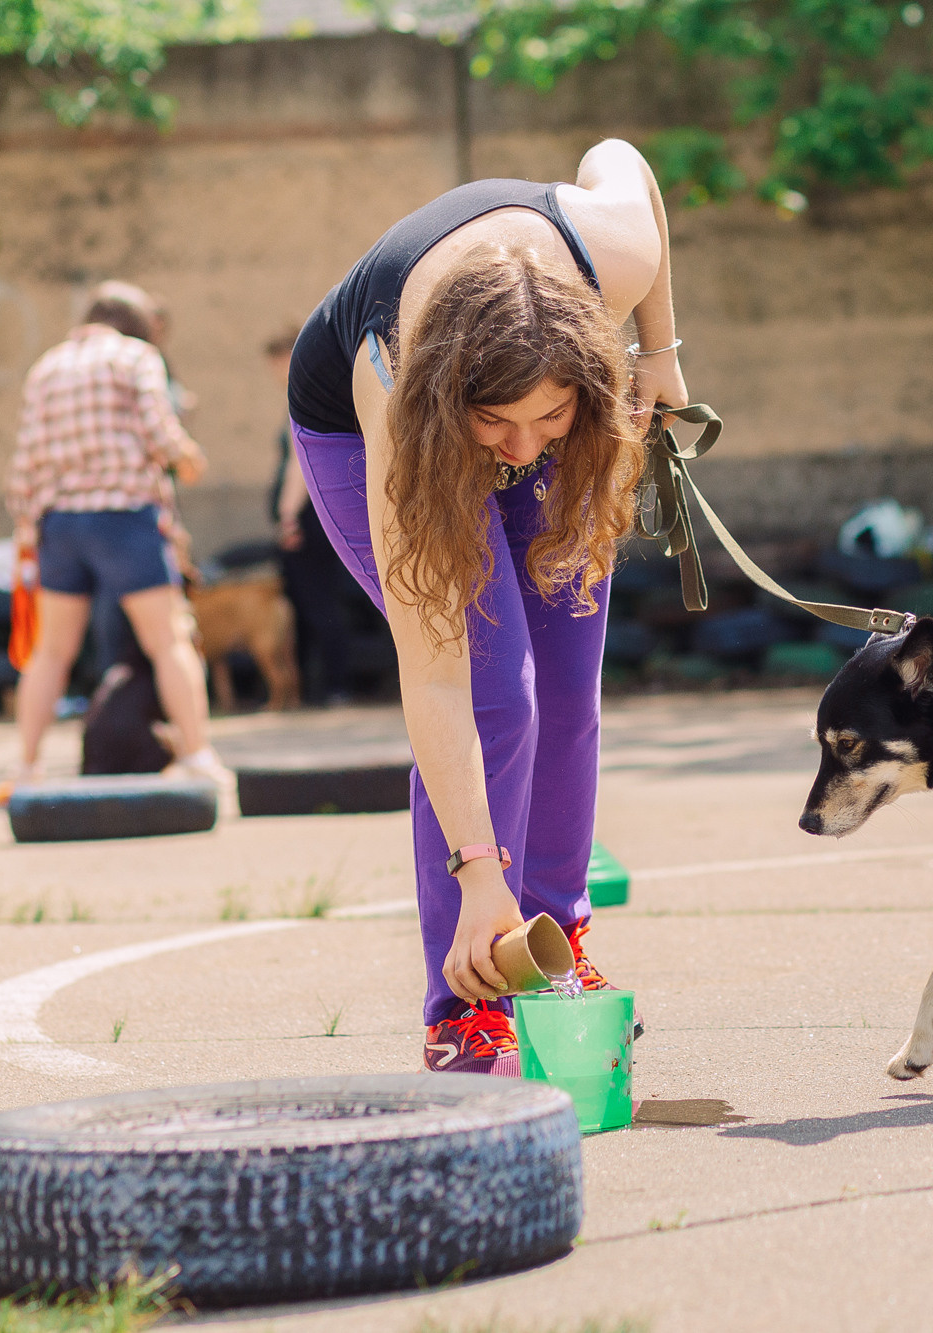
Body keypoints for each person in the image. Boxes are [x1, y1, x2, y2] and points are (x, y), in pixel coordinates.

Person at [287, 143, 684, 1074]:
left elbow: (621, 157)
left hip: (528, 375)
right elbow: (434, 678)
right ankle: (464, 1004)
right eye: (498, 426)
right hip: (387, 428)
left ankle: (553, 950)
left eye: (546, 420)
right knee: (499, 691)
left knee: (569, 686)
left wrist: (658, 353)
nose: (518, 450)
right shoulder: (396, 393)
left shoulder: (609, 254)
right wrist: (479, 873)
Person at [6, 281, 224, 782]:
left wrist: (26, 524)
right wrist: (187, 459)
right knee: (168, 640)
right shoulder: (135, 357)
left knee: (51, 652)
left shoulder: (47, 366)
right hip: (124, 517)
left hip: (60, 524)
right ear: (138, 324)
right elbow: (158, 426)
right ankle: (198, 757)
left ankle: (26, 765)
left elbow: (25, 460)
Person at [267, 329, 357, 705]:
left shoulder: (306, 395)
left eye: (279, 364)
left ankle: (335, 685)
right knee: (316, 603)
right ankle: (321, 686)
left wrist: (287, 516)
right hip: (320, 516)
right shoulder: (325, 393)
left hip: (307, 520)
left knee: (317, 603)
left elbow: (298, 468)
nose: (276, 374)